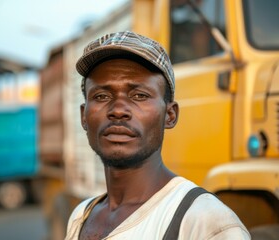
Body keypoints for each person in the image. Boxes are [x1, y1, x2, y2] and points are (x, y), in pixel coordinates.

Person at [65, 31, 250, 240]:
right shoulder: (81, 215)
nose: (118, 110)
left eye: (139, 95)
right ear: (83, 116)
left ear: (170, 115)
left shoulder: (206, 222)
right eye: (101, 96)